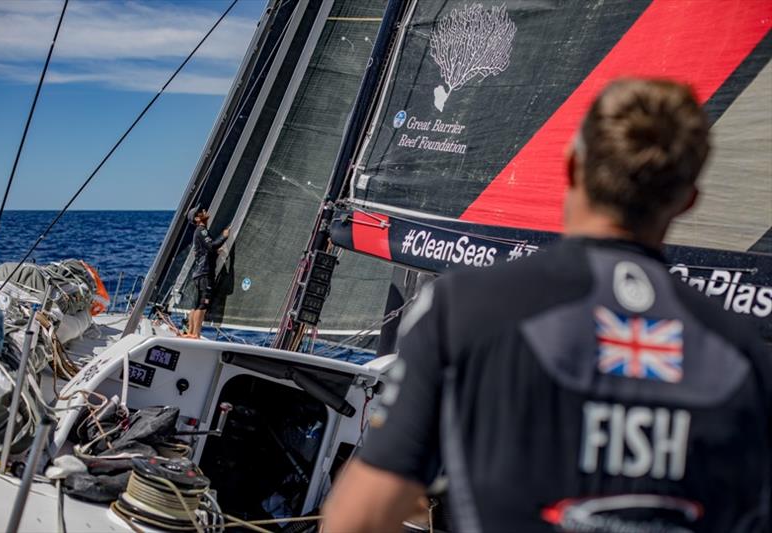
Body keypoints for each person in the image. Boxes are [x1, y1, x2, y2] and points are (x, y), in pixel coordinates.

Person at [322, 79, 771, 532]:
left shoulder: (466, 311)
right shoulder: (743, 354)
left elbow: (357, 521)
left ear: (573, 165)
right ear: (688, 199)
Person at [183, 205, 228, 339]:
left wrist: (215, 253)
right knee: (203, 305)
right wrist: (224, 236)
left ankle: (190, 332)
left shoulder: (199, 232)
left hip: (199, 273)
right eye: (201, 211)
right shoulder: (202, 230)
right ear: (197, 218)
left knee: (196, 305)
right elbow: (211, 245)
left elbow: (205, 250)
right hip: (204, 273)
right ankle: (196, 334)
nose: (204, 211)